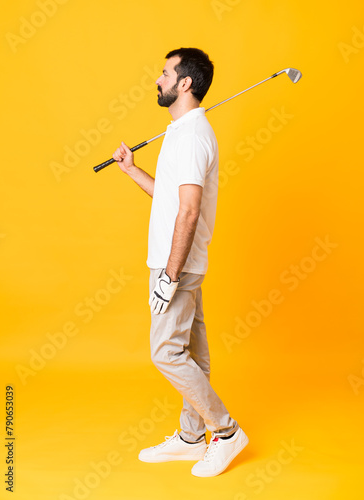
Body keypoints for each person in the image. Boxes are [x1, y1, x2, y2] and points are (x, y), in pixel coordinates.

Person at [113, 48, 248, 477]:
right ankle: (192, 436)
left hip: (177, 264)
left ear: (184, 83)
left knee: (167, 353)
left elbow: (189, 213)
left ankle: (225, 432)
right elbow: (174, 200)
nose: (158, 78)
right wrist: (134, 171)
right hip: (180, 262)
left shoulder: (191, 137)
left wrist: (168, 276)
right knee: (192, 353)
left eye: (166, 72)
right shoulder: (180, 133)